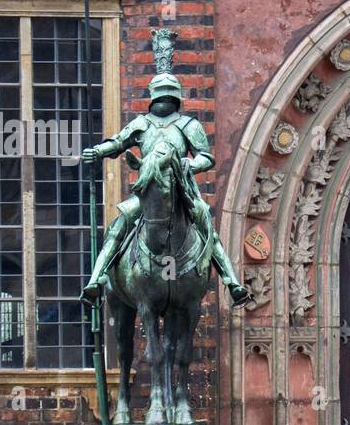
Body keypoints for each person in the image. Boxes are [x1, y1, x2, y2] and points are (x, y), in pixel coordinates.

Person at [79, 70, 250, 308]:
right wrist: (98, 151)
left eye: (168, 96)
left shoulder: (188, 125)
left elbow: (206, 157)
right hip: (149, 193)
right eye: (160, 96)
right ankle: (96, 280)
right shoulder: (141, 124)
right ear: (152, 99)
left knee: (205, 225)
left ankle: (231, 282)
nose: (164, 100)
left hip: (181, 192)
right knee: (119, 225)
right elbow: (119, 142)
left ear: (176, 99)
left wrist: (189, 163)